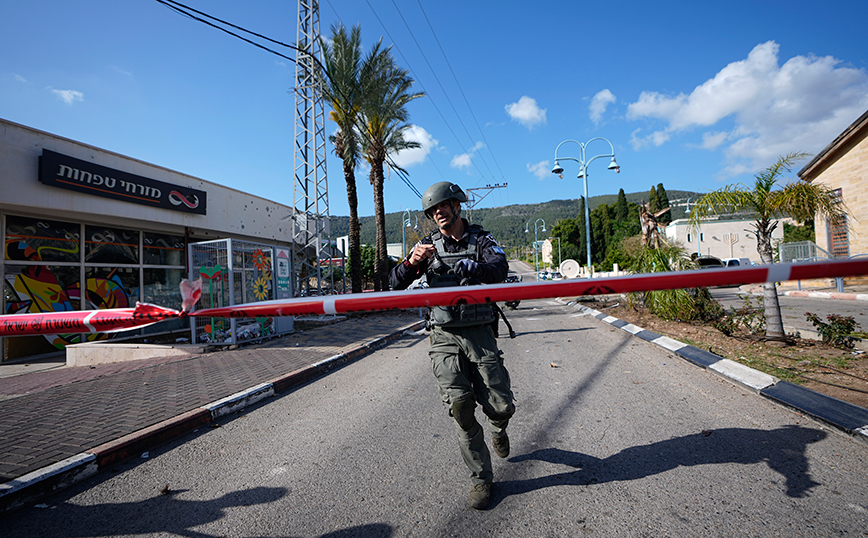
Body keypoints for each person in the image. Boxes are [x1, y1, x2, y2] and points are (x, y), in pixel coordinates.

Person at [389, 181, 515, 510]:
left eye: (443, 206)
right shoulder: (426, 246)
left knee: (501, 405)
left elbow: (500, 269)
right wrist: (411, 263)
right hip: (444, 335)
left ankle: (499, 428)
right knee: (460, 408)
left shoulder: (482, 239)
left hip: (480, 333)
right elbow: (394, 282)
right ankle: (481, 479)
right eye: (433, 210)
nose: (438, 213)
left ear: (457, 206)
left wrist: (480, 269)